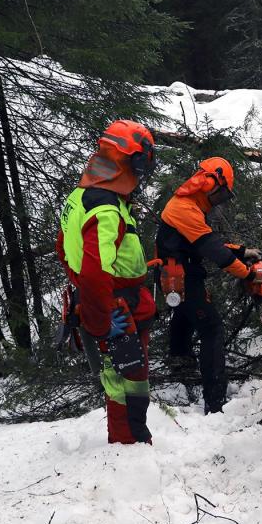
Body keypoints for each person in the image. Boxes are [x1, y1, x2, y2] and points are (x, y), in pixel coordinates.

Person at [57, 120, 158, 444]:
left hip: (111, 300)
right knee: (128, 380)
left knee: (121, 378)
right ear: (128, 162)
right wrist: (101, 321)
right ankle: (130, 446)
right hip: (116, 308)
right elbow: (95, 271)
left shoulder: (80, 195)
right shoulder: (105, 208)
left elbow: (63, 247)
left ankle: (129, 441)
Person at [155, 158, 262, 414]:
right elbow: (215, 252)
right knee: (211, 328)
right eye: (221, 193)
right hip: (180, 277)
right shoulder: (184, 208)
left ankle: (180, 363)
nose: (220, 199)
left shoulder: (190, 206)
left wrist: (242, 251)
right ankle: (215, 400)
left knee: (184, 316)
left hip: (179, 274)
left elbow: (205, 242)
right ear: (209, 184)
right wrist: (249, 274)